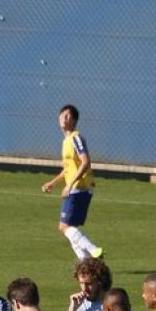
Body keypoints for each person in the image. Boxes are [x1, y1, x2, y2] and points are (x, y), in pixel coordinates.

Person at [41, 104, 103, 261]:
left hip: (79, 188)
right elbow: (68, 168)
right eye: (62, 115)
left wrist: (69, 185)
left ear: (74, 121)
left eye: (68, 116)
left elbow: (85, 161)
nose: (64, 118)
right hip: (77, 188)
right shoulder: (66, 141)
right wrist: (53, 182)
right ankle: (86, 262)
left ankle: (93, 249)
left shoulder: (76, 138)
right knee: (70, 229)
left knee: (64, 227)